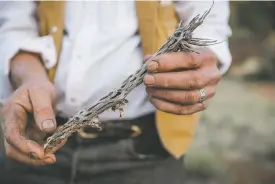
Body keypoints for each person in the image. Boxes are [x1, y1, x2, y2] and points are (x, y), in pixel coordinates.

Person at [0, 1, 232, 184]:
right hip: (36, 140)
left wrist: (198, 67)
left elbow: (209, 23)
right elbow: (13, 22)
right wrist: (29, 77)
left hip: (144, 152)